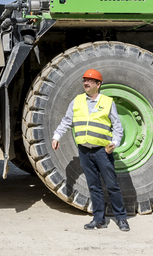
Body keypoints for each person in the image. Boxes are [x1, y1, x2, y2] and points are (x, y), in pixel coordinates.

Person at [51, 69, 129, 232]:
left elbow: (117, 126)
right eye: (84, 80)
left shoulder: (107, 102)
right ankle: (98, 219)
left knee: (112, 185)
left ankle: (121, 218)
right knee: (94, 186)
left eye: (90, 81)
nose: (86, 83)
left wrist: (115, 142)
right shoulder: (77, 101)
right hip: (85, 151)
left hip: (103, 151)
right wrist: (57, 136)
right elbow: (67, 121)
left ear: (98, 84)